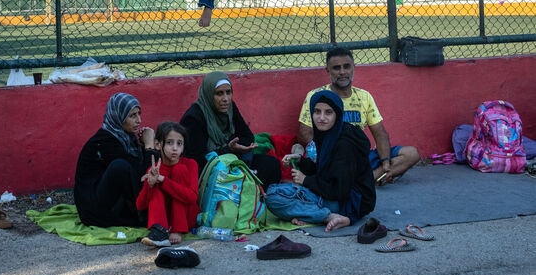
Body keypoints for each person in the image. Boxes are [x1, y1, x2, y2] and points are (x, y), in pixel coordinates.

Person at [296, 47, 420, 185]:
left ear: (353, 68)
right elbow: (304, 133)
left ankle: (368, 178)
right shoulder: (317, 96)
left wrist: (385, 162)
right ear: (328, 71)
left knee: (411, 154)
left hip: (360, 155)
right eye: (336, 68)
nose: (342, 72)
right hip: (333, 157)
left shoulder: (364, 96)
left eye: (347, 67)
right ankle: (365, 180)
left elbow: (380, 133)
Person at [265, 89, 376, 232]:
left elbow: (339, 190)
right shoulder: (329, 134)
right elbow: (325, 170)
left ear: (337, 114)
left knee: (273, 196)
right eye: (317, 111)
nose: (321, 118)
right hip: (337, 197)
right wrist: (300, 161)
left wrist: (306, 180)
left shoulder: (344, 144)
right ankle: (319, 215)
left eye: (328, 112)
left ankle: (327, 217)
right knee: (275, 192)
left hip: (348, 202)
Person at [179, 71, 281, 187]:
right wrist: (229, 149)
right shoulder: (194, 118)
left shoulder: (230, 108)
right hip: (209, 169)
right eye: (219, 93)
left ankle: (256, 198)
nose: (226, 99)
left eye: (228, 92)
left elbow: (248, 137)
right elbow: (196, 160)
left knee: (272, 164)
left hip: (232, 160)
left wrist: (233, 149)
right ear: (208, 94)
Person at [74, 92, 158, 227]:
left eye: (139, 114)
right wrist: (149, 146)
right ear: (118, 116)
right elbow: (141, 174)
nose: (139, 120)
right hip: (94, 211)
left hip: (108, 200)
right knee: (120, 167)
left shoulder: (125, 138)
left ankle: (145, 212)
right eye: (132, 115)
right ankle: (143, 216)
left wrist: (142, 147)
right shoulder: (106, 142)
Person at [137, 121, 199, 247]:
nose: (175, 148)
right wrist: (150, 184)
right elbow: (140, 205)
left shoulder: (190, 164)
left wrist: (163, 180)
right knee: (155, 188)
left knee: (179, 170)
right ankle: (159, 232)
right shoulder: (154, 170)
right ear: (158, 145)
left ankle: (178, 230)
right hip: (166, 218)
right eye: (170, 143)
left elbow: (192, 197)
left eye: (179, 143)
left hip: (186, 217)